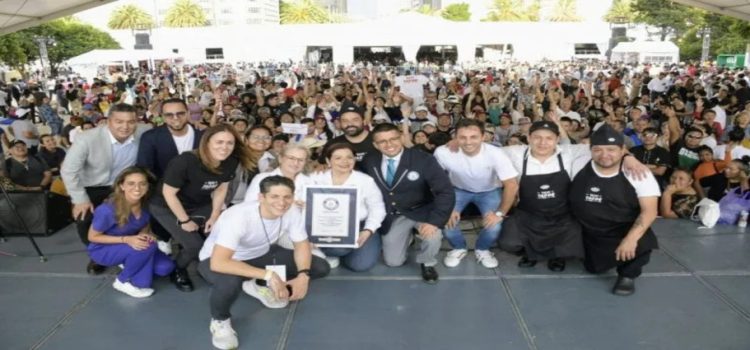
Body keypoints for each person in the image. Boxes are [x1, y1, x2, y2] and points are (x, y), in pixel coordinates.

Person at [197, 175, 330, 350]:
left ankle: (255, 283)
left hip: (259, 255)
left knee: (319, 267)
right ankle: (220, 321)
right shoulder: (237, 217)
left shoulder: (290, 211)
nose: (281, 202)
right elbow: (219, 263)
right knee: (230, 281)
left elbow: (302, 245)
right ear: (261, 197)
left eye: (287, 197)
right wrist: (270, 275)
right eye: (274, 196)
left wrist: (303, 276)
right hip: (216, 260)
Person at [149, 125, 251, 292]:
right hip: (166, 205)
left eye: (229, 143)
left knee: (222, 232)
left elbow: (220, 188)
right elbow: (169, 193)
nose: (224, 147)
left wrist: (215, 215)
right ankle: (178, 269)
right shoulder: (185, 161)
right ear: (207, 142)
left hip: (198, 202)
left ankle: (214, 265)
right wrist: (185, 221)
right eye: (219, 142)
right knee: (194, 246)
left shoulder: (231, 161)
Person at [570, 125, 660, 296]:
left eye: (611, 149)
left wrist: (630, 240)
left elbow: (649, 212)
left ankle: (627, 275)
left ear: (622, 150)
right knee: (593, 268)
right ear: (589, 149)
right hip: (587, 231)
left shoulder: (639, 173)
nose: (604, 155)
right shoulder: (579, 161)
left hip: (620, 229)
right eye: (598, 150)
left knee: (643, 239)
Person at [361, 123, 454, 283]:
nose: (389, 145)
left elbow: (445, 191)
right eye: (382, 141)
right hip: (394, 215)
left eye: (393, 139)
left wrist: (435, 221)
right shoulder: (370, 160)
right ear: (375, 145)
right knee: (393, 262)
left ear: (402, 137)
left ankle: (428, 262)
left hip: (422, 211)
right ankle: (408, 238)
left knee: (433, 236)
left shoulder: (423, 159)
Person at [61, 103, 147, 275]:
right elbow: (68, 170)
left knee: (143, 211)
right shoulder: (87, 138)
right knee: (85, 217)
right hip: (94, 185)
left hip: (123, 185)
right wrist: (80, 200)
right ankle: (97, 255)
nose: (125, 126)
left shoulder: (144, 132)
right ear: (108, 121)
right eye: (119, 121)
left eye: (131, 122)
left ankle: (134, 246)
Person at [499, 121, 590, 271]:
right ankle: (531, 252)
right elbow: (485, 149)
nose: (543, 143)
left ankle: (556, 255)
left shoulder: (570, 152)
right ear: (528, 138)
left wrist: (628, 158)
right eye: (537, 137)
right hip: (528, 215)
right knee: (508, 242)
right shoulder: (515, 152)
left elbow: (606, 146)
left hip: (562, 216)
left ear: (557, 139)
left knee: (578, 241)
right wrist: (456, 141)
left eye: (549, 138)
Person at [434, 119, 519, 269]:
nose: (468, 142)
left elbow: (511, 185)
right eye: (462, 137)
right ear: (455, 136)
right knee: (446, 220)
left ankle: (483, 249)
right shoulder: (443, 152)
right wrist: (445, 206)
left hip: (489, 191)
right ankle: (458, 247)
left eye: (473, 137)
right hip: (457, 189)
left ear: (483, 136)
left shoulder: (496, 154)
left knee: (494, 225)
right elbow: (436, 181)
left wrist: (499, 213)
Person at [87, 167, 175, 298]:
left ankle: (130, 260)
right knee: (143, 276)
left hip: (131, 245)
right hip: (103, 249)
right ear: (121, 185)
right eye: (131, 183)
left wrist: (144, 234)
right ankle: (121, 281)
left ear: (147, 186)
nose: (137, 188)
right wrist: (127, 239)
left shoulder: (146, 205)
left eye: (142, 183)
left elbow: (144, 224)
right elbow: (92, 237)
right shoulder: (107, 210)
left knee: (165, 268)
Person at [312, 142, 386, 271]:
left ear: (354, 159)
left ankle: (342, 253)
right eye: (338, 158)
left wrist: (368, 230)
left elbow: (377, 207)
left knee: (361, 265)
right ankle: (336, 252)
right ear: (328, 161)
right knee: (339, 248)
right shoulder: (315, 177)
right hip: (325, 225)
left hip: (360, 225)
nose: (345, 161)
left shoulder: (365, 180)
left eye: (349, 157)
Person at [321, 100, 377, 168]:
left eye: (355, 120)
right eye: (345, 120)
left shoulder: (378, 140)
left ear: (364, 121)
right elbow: (320, 165)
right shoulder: (332, 144)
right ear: (340, 123)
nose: (350, 124)